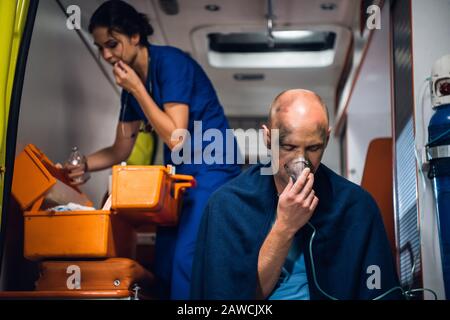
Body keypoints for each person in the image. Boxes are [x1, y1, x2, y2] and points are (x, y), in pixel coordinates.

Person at [66, 0, 241, 299]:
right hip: (183, 176)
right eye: (100, 48)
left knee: (186, 258)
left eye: (112, 44)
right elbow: (120, 149)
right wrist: (83, 164)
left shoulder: (170, 63)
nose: (107, 55)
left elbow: (176, 138)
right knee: (164, 262)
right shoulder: (131, 87)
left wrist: (137, 89)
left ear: (135, 36)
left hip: (214, 169)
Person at [191, 89, 403, 300]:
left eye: (313, 148)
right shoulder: (228, 205)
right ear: (267, 138)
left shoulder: (356, 206)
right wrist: (285, 227)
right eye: (289, 146)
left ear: (327, 139)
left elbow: (379, 291)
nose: (301, 161)